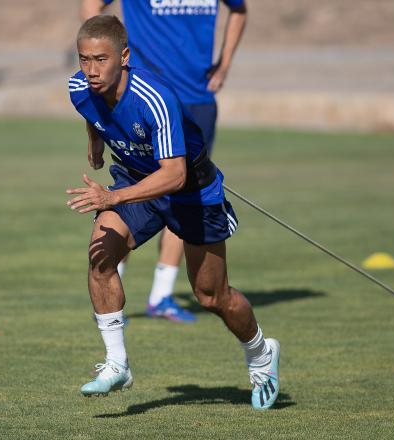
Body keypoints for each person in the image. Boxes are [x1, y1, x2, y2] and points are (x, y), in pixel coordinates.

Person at [66, 15, 280, 410]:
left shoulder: (154, 97)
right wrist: (96, 145)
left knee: (212, 296)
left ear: (124, 56)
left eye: (101, 59)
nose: (91, 70)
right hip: (137, 183)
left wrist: (113, 198)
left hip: (191, 191)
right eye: (84, 59)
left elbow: (176, 174)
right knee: (100, 255)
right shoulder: (79, 86)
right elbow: (92, 111)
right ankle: (117, 364)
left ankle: (261, 352)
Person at [80, 0, 248, 323]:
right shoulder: (105, 78)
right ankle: (113, 282)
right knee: (137, 183)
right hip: (138, 95)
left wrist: (224, 64)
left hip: (194, 98)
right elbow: (91, 8)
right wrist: (104, 58)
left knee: (181, 187)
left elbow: (239, 10)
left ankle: (162, 292)